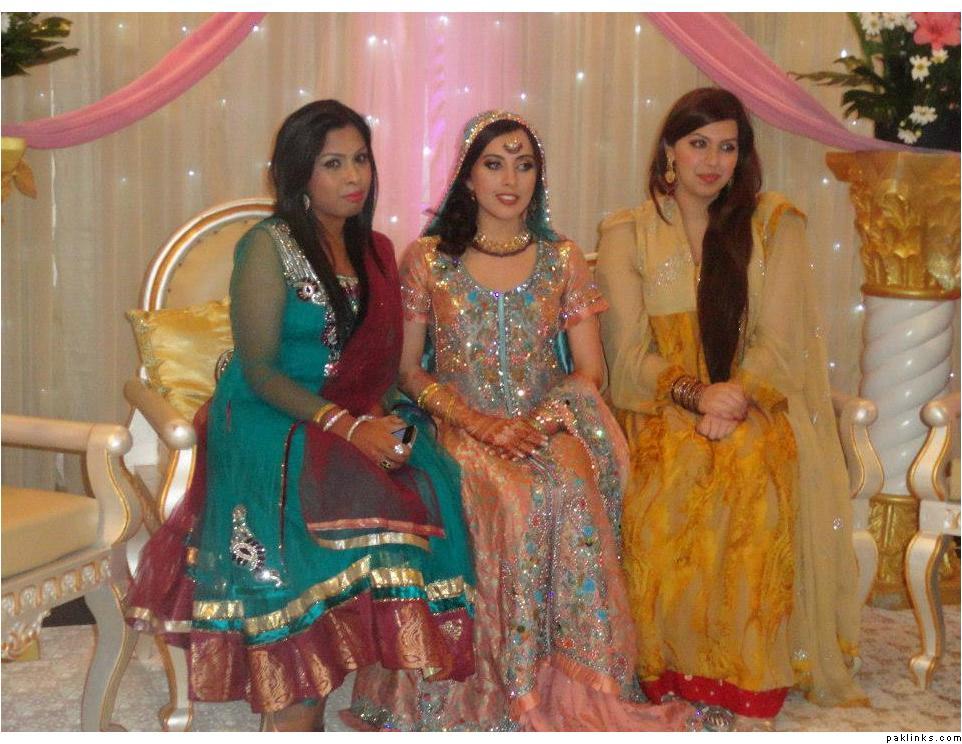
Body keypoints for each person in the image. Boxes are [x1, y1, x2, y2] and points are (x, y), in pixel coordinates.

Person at [125, 100, 475, 731]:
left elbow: (381, 371)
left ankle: (331, 678)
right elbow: (259, 369)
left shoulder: (377, 250)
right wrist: (349, 428)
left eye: (360, 159)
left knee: (408, 501)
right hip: (268, 418)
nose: (354, 176)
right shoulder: (267, 246)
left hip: (350, 415)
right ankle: (296, 704)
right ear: (298, 175)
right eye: (332, 163)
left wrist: (388, 424)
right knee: (307, 526)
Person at [345, 110, 693, 732]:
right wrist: (478, 423)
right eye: (494, 164)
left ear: (539, 177)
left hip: (548, 421)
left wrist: (545, 419)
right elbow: (408, 370)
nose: (510, 180)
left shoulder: (562, 259)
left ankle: (577, 684)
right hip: (458, 425)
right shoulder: (429, 259)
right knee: (514, 498)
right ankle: (501, 689)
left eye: (524, 165)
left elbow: (590, 370)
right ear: (467, 177)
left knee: (572, 489)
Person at [595, 87, 868, 729]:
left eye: (727, 146)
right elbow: (627, 357)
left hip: (756, 400)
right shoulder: (628, 233)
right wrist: (696, 395)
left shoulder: (774, 224)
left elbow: (781, 342)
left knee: (749, 466)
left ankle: (745, 674)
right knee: (671, 474)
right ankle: (669, 667)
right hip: (660, 404)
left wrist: (735, 394)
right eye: (698, 144)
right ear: (669, 150)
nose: (712, 161)